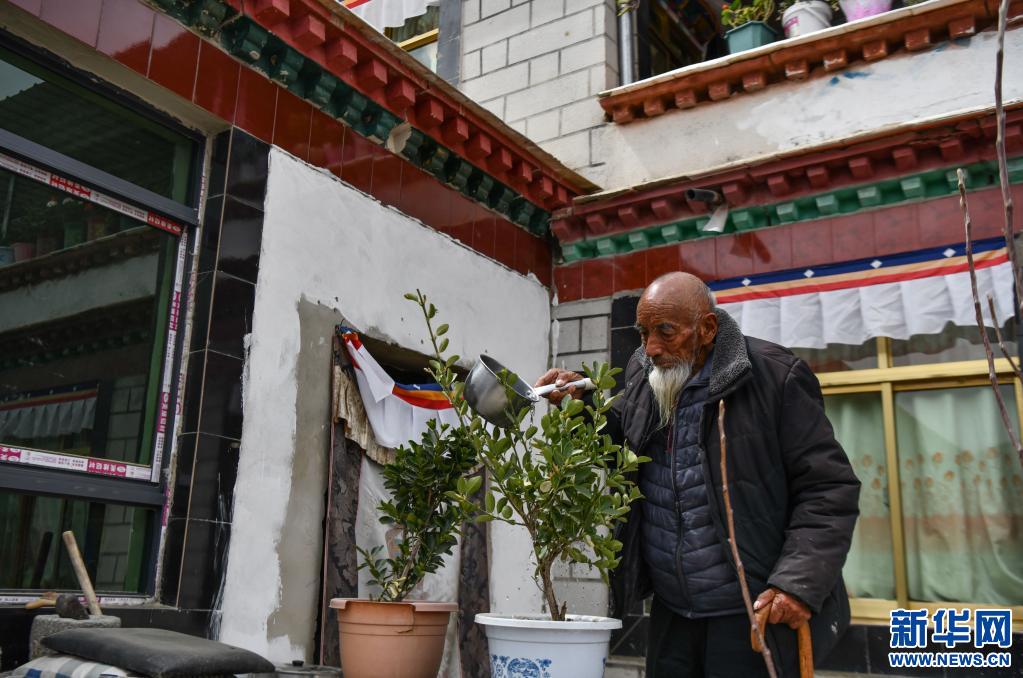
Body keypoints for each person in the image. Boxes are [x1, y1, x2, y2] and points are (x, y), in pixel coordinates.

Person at [536, 272, 860, 677]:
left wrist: (796, 583)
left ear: (707, 328)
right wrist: (584, 406)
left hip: (749, 609)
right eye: (643, 333)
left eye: (665, 331)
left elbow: (828, 488)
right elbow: (623, 453)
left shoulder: (775, 376)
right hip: (673, 609)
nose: (651, 348)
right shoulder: (644, 373)